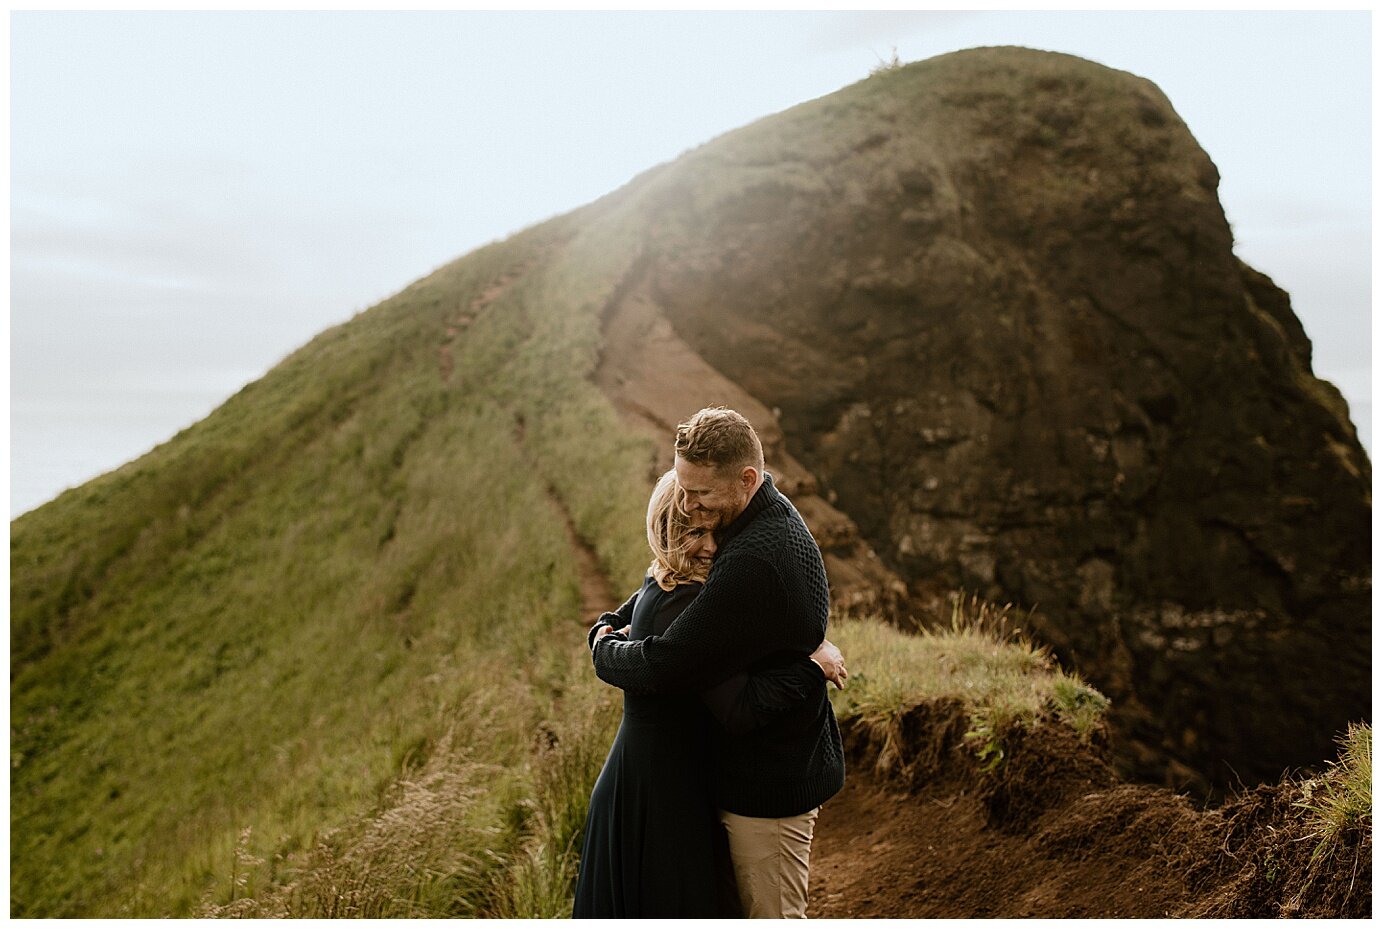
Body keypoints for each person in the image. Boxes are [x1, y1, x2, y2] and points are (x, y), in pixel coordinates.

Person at [590, 407, 846, 918]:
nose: (688, 504)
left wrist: (602, 648)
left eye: (699, 494)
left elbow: (665, 665)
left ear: (747, 479)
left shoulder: (751, 560)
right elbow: (666, 586)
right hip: (732, 774)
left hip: (766, 782)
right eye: (683, 490)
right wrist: (617, 618)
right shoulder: (757, 510)